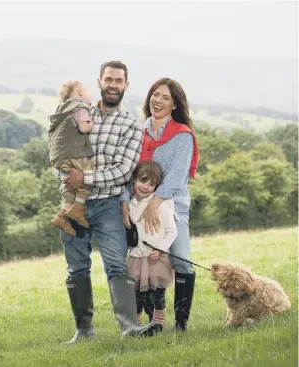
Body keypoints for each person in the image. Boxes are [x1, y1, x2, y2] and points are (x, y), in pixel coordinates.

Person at [55, 61, 160, 344]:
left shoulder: (130, 126)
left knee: (116, 264)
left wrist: (84, 177)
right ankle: (84, 331)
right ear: (99, 82)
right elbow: (60, 148)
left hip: (108, 205)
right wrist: (66, 177)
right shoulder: (78, 113)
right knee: (76, 267)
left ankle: (129, 327)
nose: (113, 84)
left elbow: (124, 170)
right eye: (108, 79)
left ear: (126, 85)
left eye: (118, 80)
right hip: (72, 205)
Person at [120, 77, 199, 332]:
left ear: (175, 104)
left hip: (171, 207)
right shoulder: (137, 132)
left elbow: (177, 177)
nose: (158, 101)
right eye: (155, 94)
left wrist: (155, 203)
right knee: (142, 264)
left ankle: (181, 323)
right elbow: (125, 172)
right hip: (136, 210)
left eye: (166, 97)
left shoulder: (182, 136)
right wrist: (124, 202)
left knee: (182, 260)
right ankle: (150, 322)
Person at [124, 160, 177, 336]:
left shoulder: (161, 206)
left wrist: (161, 249)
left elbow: (171, 231)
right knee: (136, 295)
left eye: (151, 184)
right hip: (137, 258)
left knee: (157, 295)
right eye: (142, 180)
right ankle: (138, 327)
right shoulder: (130, 205)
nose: (146, 186)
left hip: (156, 259)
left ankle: (157, 325)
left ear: (157, 186)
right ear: (134, 179)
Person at [48, 80, 94, 236]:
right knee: (88, 175)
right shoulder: (80, 107)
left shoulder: (61, 109)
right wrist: (91, 123)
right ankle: (78, 208)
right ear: (81, 92)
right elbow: (83, 127)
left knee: (69, 183)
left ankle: (62, 214)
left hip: (58, 156)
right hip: (73, 152)